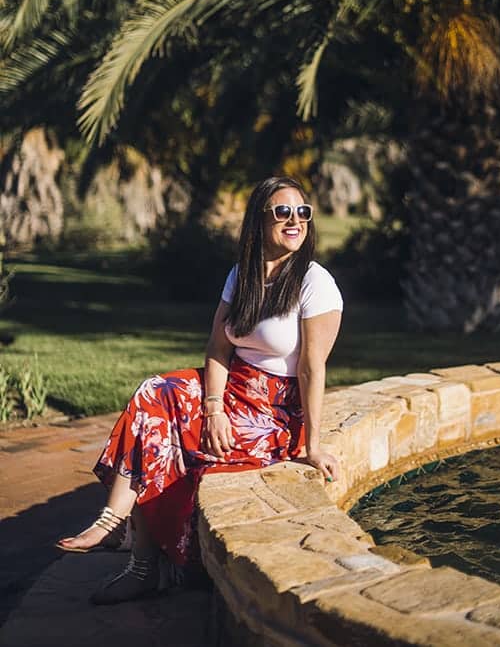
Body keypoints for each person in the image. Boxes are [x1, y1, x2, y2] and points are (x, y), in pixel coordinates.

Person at [56, 176, 343, 604]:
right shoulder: (242, 275)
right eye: (283, 212)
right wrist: (213, 408)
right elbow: (217, 348)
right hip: (232, 390)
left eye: (303, 212)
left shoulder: (314, 283)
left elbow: (311, 369)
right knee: (154, 394)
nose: (295, 221)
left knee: (167, 438)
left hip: (275, 413)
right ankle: (114, 523)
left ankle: (142, 564)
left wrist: (313, 447)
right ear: (259, 221)